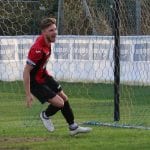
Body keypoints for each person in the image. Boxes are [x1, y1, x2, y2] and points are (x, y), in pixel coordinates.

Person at [23, 17, 92, 136]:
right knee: (60, 103)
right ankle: (45, 115)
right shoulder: (37, 50)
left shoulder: (48, 42)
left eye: (55, 29)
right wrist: (28, 94)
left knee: (64, 98)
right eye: (51, 30)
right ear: (43, 32)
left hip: (44, 76)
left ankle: (73, 127)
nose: (54, 32)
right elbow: (26, 72)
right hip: (36, 83)